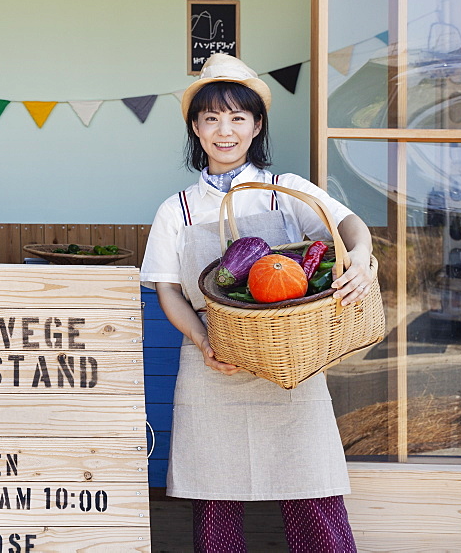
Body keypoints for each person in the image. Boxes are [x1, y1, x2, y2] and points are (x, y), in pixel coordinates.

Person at [140, 53, 373, 552]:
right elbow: (168, 289)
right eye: (212, 118)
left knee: (312, 490)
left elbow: (350, 226)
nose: (226, 130)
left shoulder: (284, 190)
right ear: (196, 128)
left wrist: (362, 256)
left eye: (238, 117)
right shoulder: (175, 209)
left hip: (292, 362)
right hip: (213, 365)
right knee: (215, 497)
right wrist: (204, 342)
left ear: (257, 124)